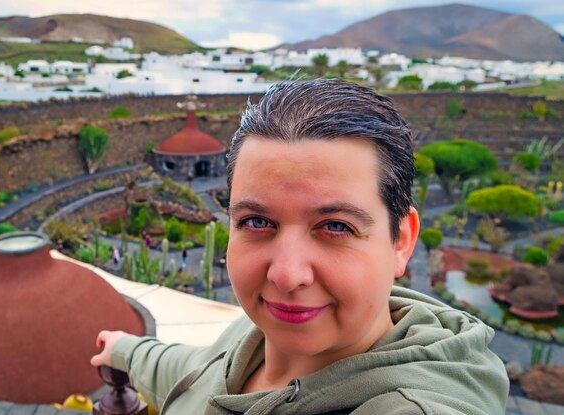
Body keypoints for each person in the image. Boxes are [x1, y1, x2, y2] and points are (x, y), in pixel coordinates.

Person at [91, 79, 508, 414]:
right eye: (256, 222)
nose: (286, 276)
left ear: (401, 240)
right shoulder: (253, 334)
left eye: (336, 226)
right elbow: (197, 372)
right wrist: (127, 349)